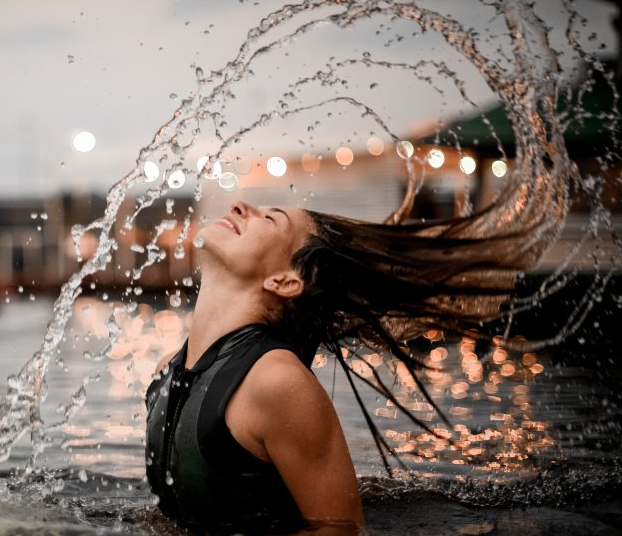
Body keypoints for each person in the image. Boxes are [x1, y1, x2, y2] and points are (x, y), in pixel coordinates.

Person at [144, 199, 539, 534]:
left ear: (285, 281)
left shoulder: (275, 382)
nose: (240, 206)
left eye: (269, 219)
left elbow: (340, 530)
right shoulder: (167, 371)